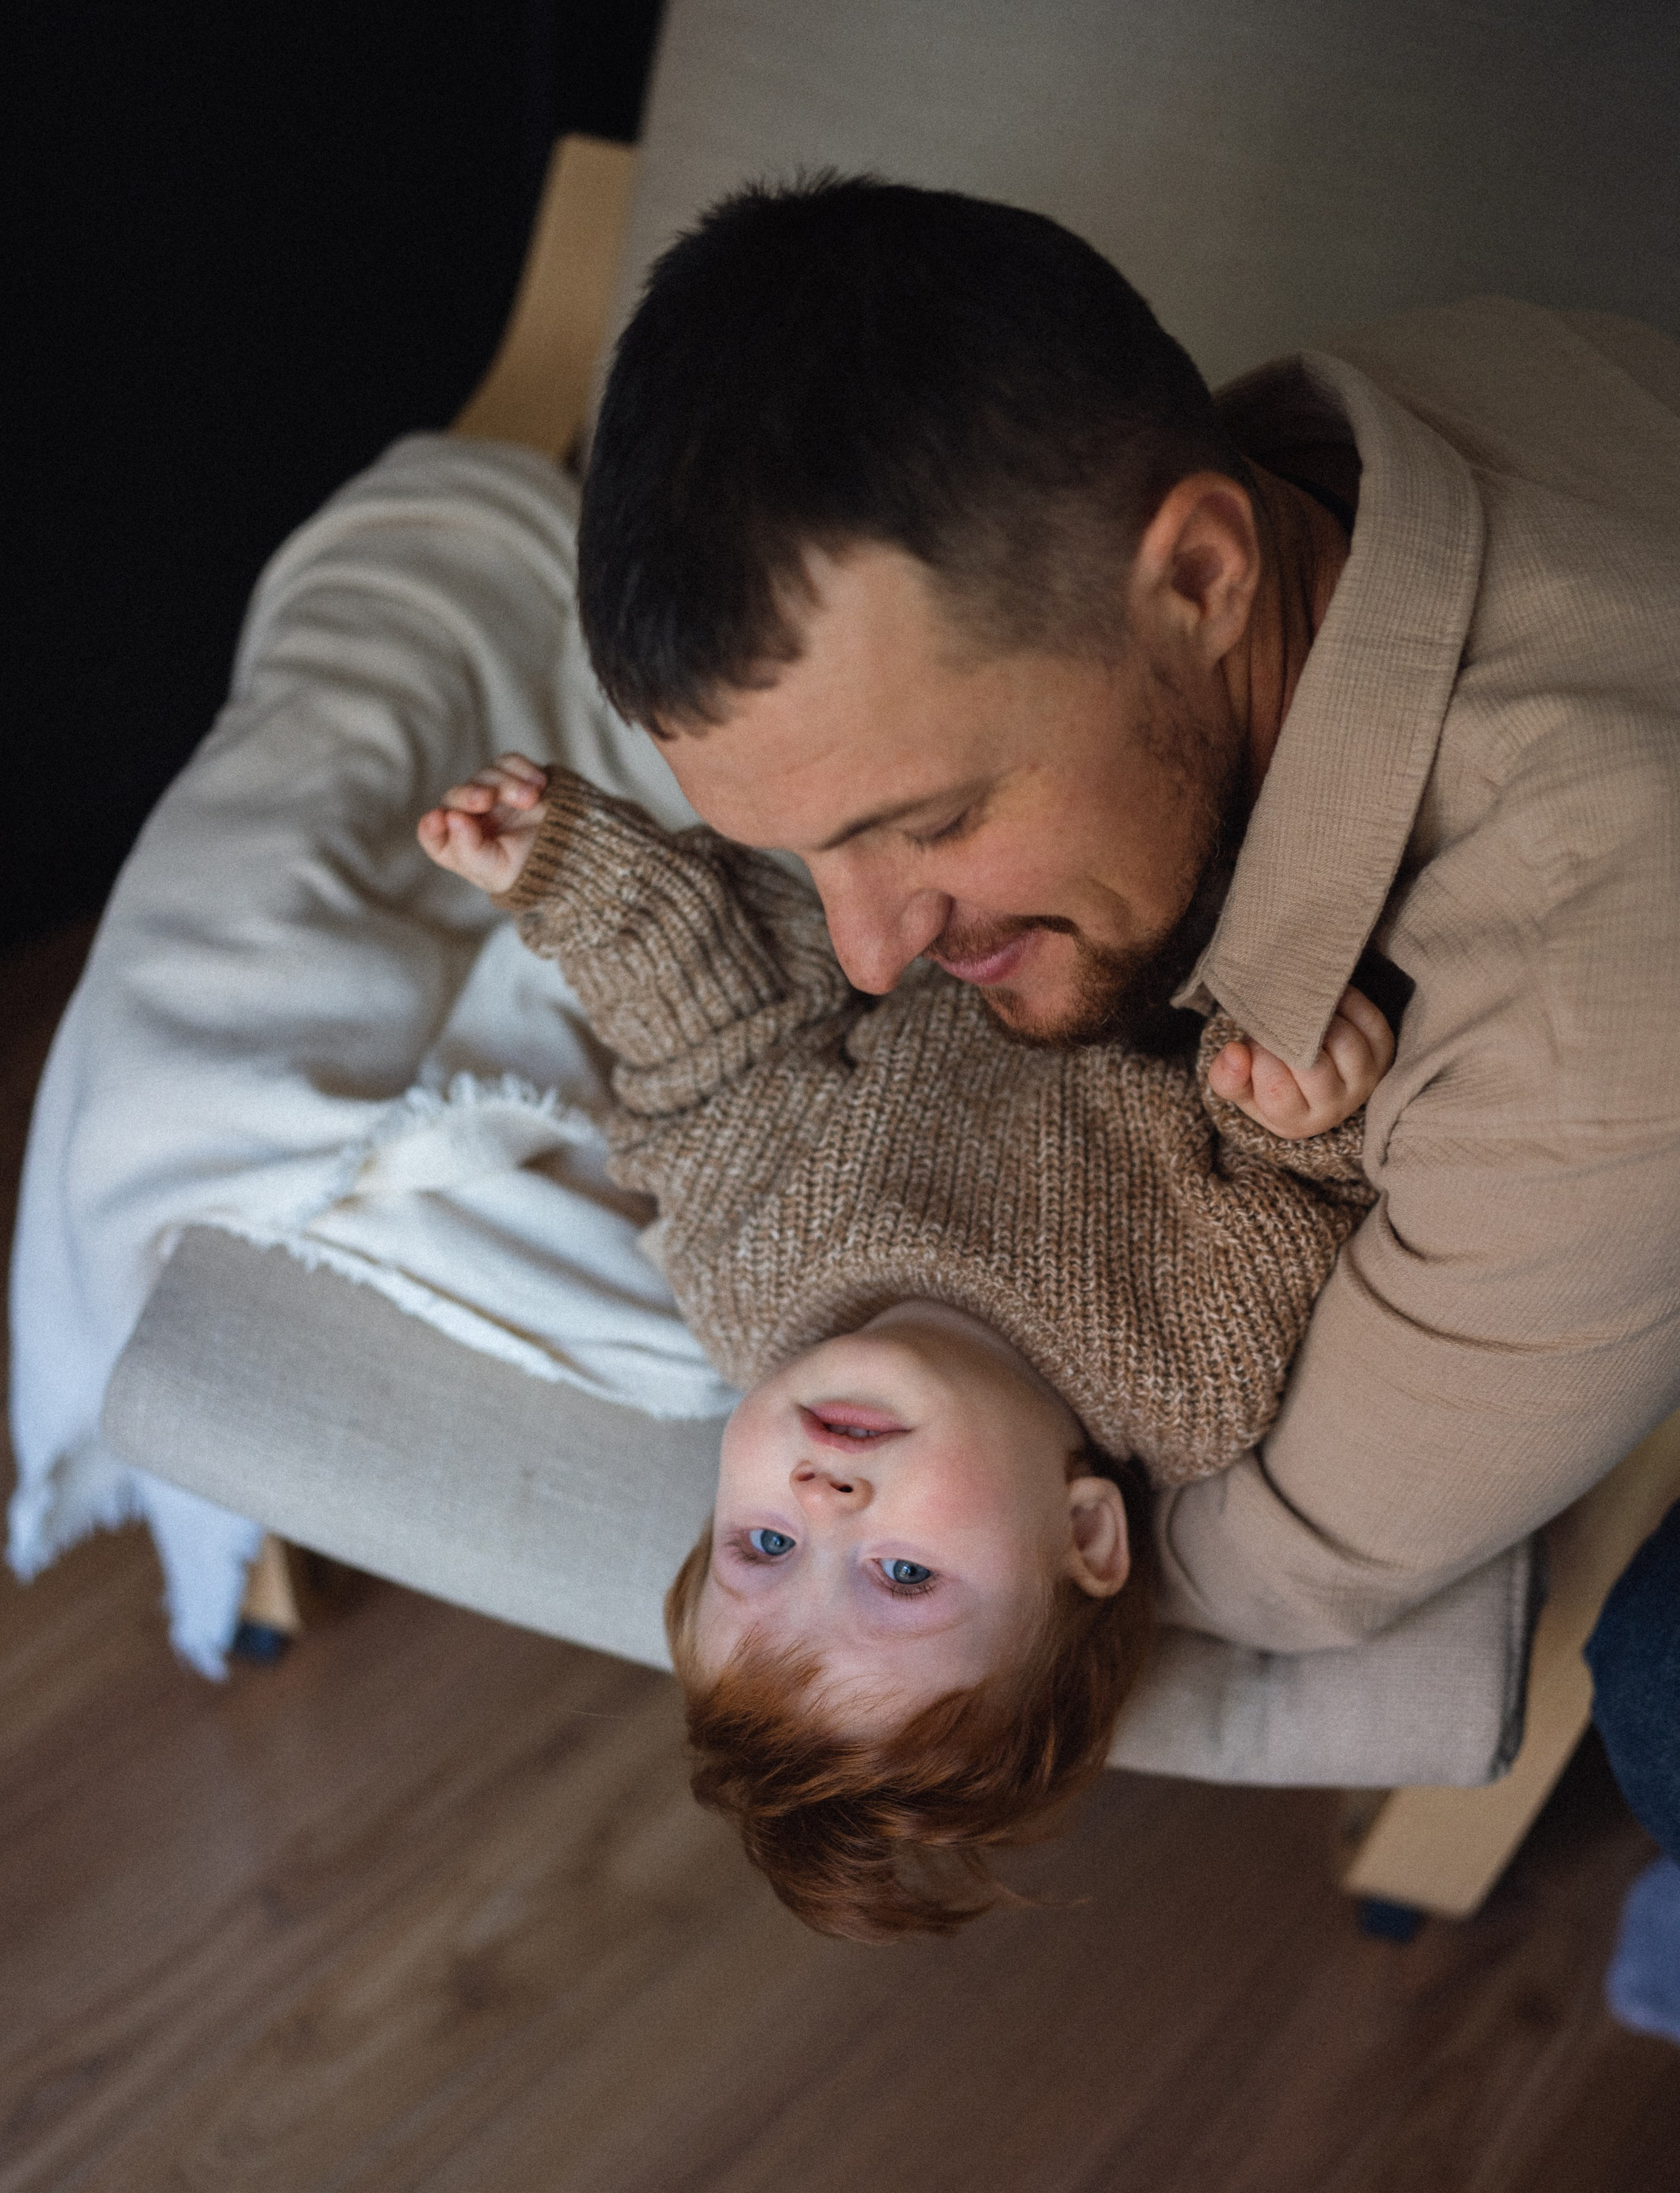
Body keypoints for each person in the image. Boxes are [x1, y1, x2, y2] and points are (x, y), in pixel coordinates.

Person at [561, 174, 1680, 1986]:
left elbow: (1284, 1559)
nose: (863, 958)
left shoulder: (1586, 1017)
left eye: (923, 827)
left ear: (1205, 576)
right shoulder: (1356, 435)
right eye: (800, 858)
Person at [419, 753, 1391, 1935]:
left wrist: (565, 875)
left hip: (947, 859)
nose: (823, 1498)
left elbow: (710, 1048)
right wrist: (1296, 1101)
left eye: (764, 1543)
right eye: (902, 1575)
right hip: (1211, 861)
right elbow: (1304, 1194)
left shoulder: (748, 1279)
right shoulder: (1187, 1367)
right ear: (1086, 1531)